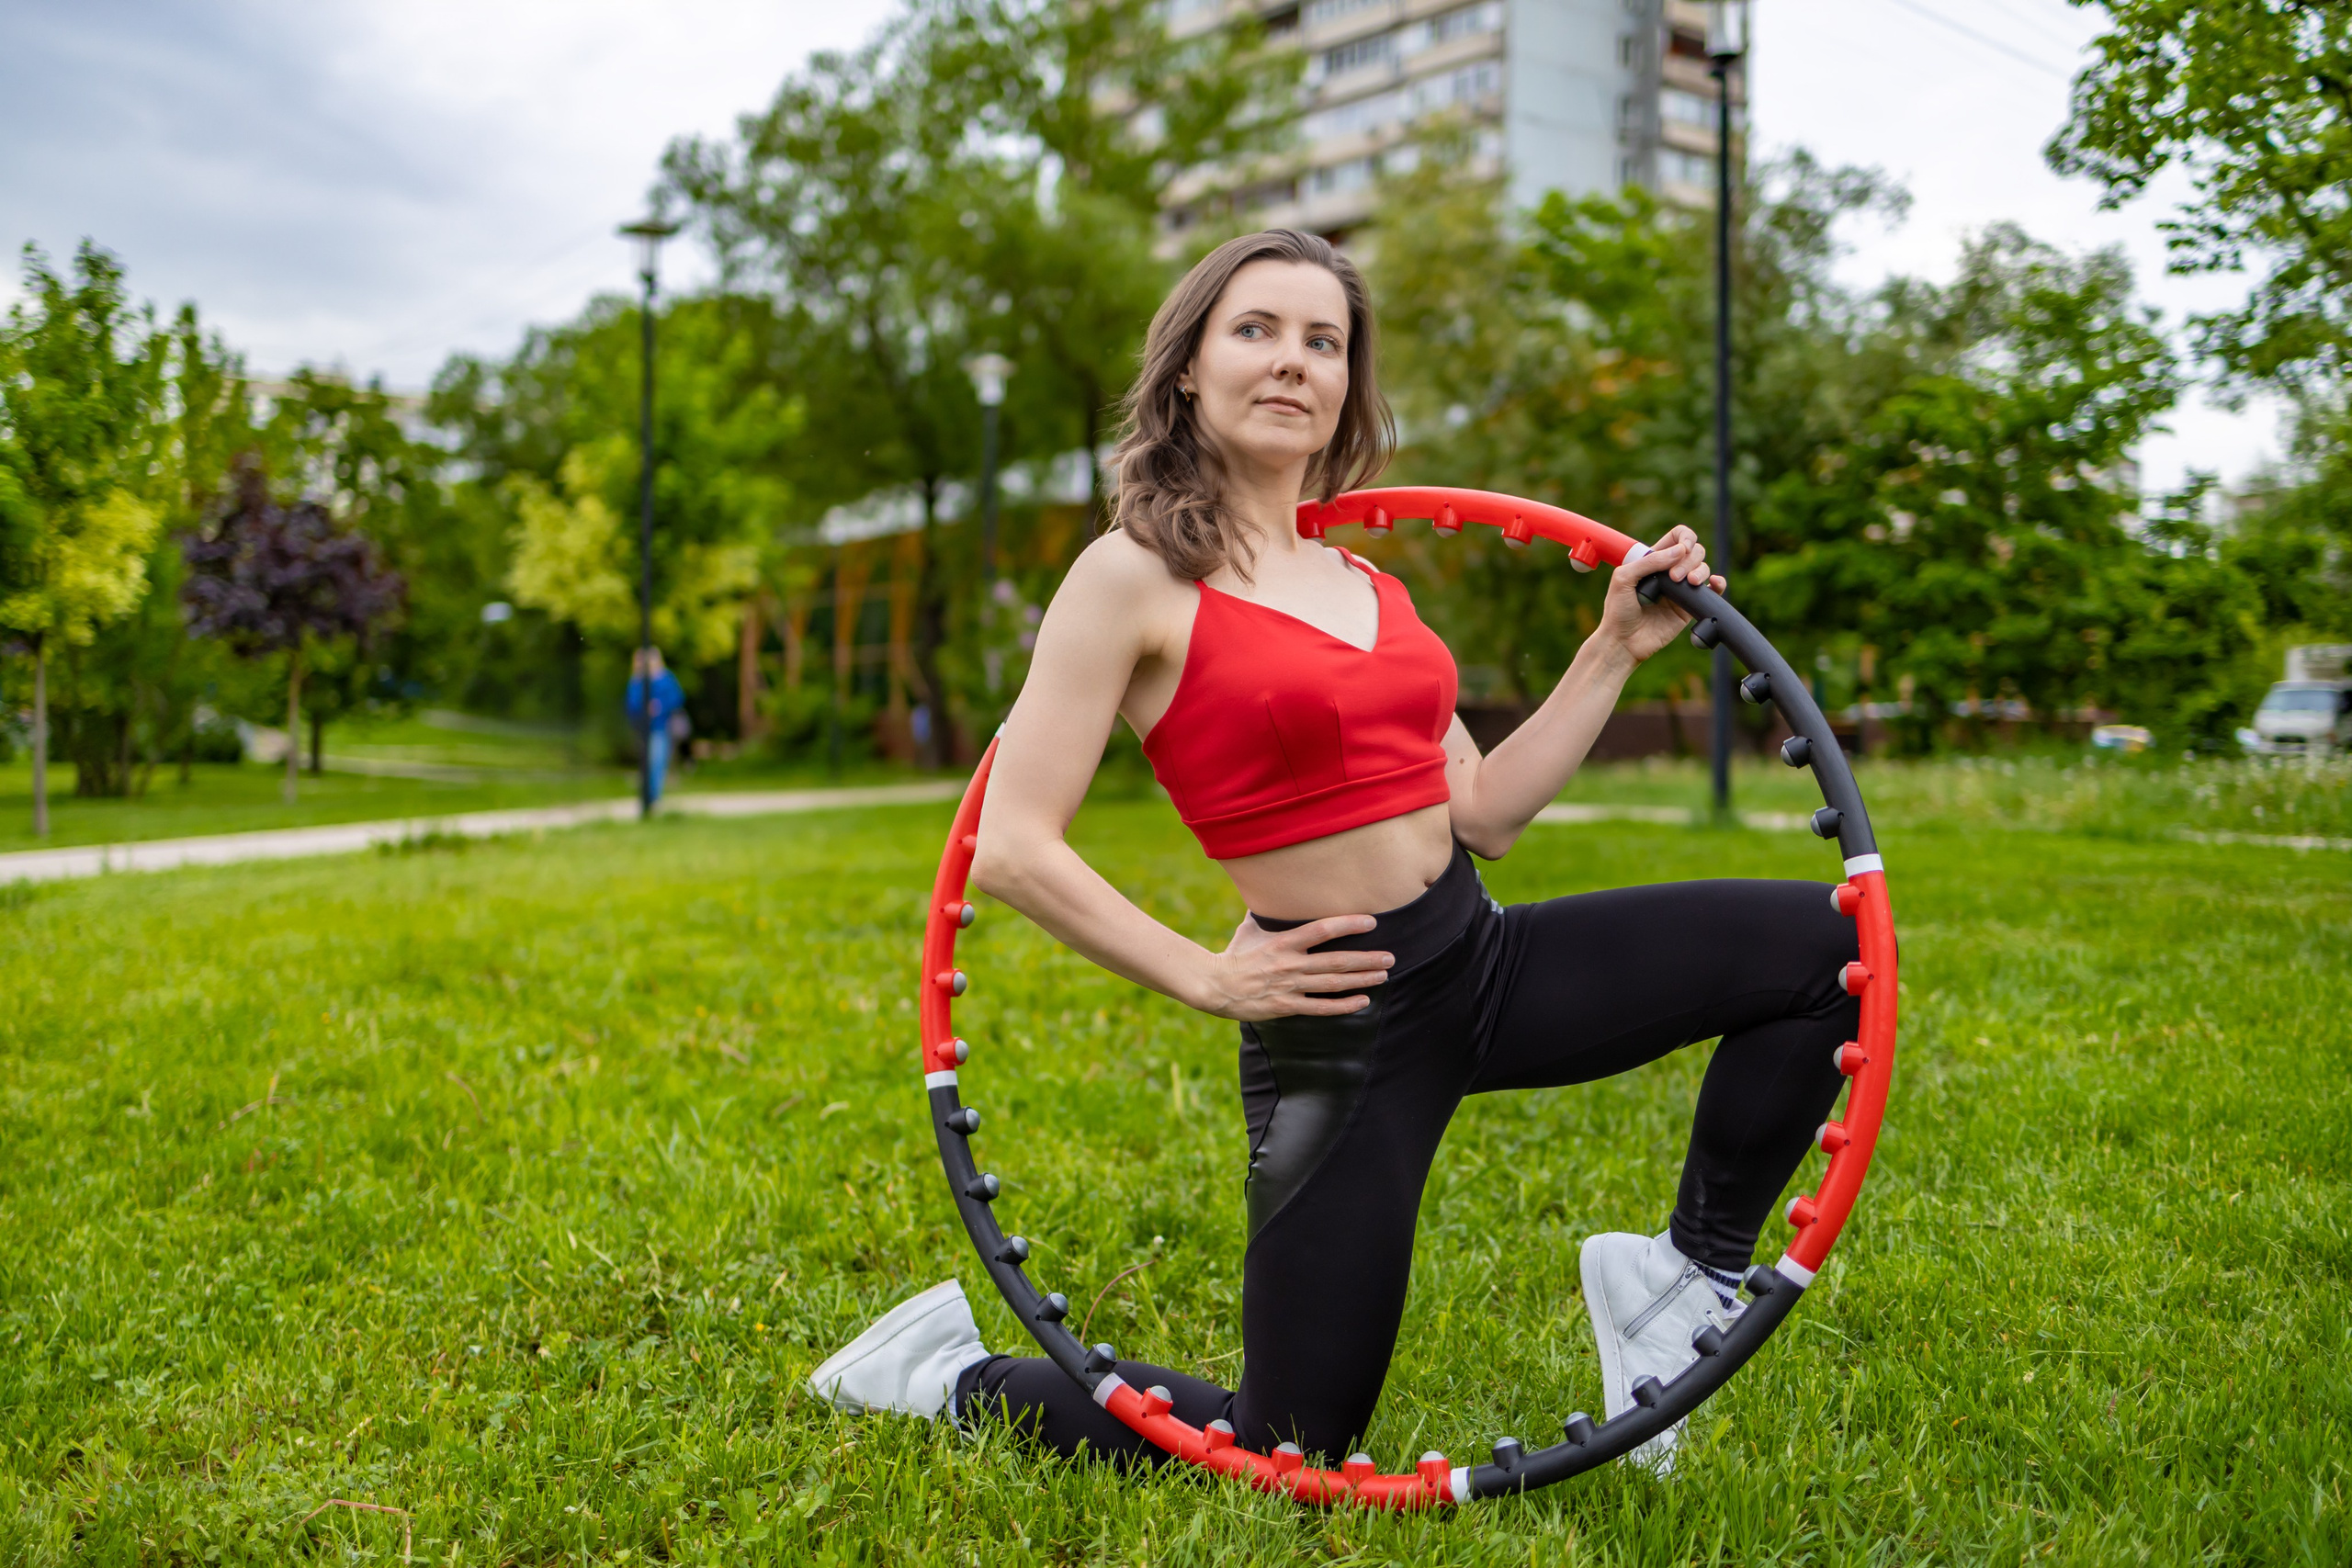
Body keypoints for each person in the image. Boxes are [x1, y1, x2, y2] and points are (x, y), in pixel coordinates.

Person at [808, 230, 1859, 1474]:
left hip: (1482, 959)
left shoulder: (1368, 581)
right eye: (1256, 329)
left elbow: (1487, 814)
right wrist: (1209, 975)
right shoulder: (1132, 578)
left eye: (1325, 341)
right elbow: (1013, 847)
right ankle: (942, 1369)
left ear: (1349, 385)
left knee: (1821, 945)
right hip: (1340, 1024)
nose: (1293, 362)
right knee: (1295, 1440)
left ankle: (1681, 1275)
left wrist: (1614, 646)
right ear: (1190, 366)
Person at [626, 648, 686, 806]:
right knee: (647, 762)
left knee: (657, 760)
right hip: (643, 728)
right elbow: (631, 704)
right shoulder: (637, 680)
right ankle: (648, 795)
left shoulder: (665, 678)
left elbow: (677, 698)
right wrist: (644, 707)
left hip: (661, 726)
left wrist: (660, 706)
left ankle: (653, 795)